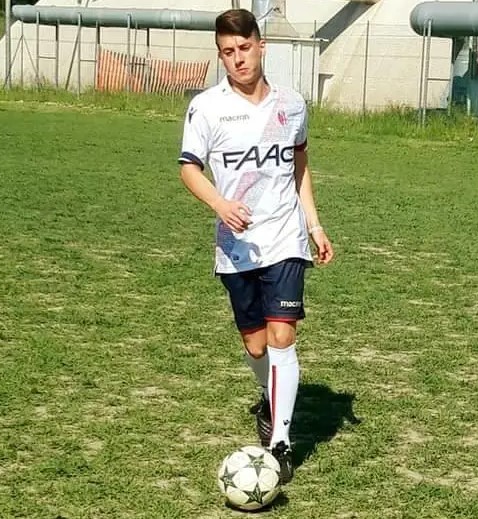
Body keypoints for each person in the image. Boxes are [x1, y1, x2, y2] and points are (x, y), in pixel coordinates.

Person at [177, 8, 334, 485]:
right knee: (256, 342)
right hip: (237, 245)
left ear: (261, 46)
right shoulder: (207, 108)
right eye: (227, 52)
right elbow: (188, 168)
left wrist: (314, 225)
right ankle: (270, 397)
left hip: (285, 237)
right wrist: (220, 204)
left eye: (244, 48)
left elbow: (298, 165)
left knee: (282, 335)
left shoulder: (292, 105)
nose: (238, 59)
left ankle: (280, 444)